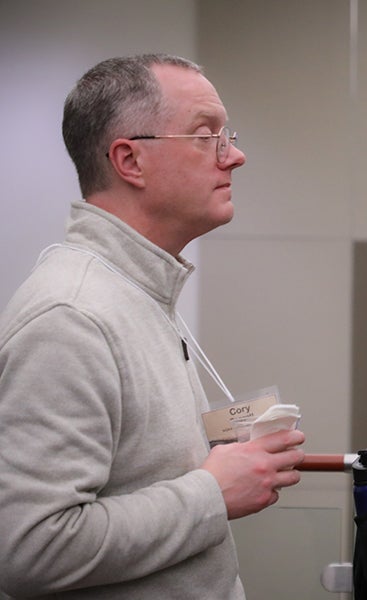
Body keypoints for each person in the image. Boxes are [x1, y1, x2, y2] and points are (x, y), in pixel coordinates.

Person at [0, 54, 305, 599]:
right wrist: (214, 493)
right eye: (206, 135)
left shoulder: (137, 293)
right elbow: (29, 548)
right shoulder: (72, 317)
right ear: (130, 161)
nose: (235, 155)